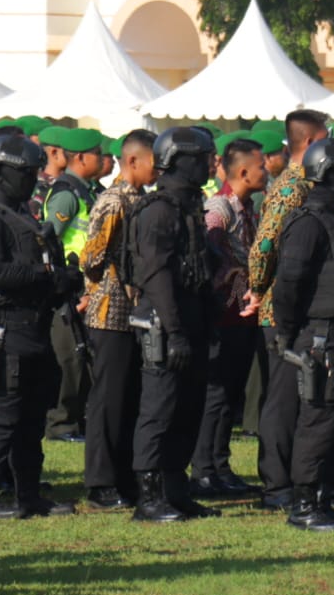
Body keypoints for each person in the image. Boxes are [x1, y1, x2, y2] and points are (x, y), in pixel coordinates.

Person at [0, 134, 81, 520]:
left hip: (33, 328)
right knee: (1, 414)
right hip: (1, 329)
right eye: (25, 172)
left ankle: (29, 493)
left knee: (31, 417)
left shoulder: (25, 219)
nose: (33, 178)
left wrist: (63, 277)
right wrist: (47, 277)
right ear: (3, 172)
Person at [268, 138, 334, 531]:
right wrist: (287, 333)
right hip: (319, 335)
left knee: (333, 418)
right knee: (318, 418)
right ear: (332, 173)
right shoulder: (307, 224)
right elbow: (289, 284)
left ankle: (321, 495)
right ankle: (305, 504)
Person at [128, 127, 219, 523]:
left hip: (191, 320)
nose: (210, 164)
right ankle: (149, 497)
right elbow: (156, 276)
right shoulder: (159, 210)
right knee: (159, 408)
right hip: (164, 324)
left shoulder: (188, 206)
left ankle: (175, 489)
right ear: (182, 160)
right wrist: (177, 331)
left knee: (188, 408)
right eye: (203, 157)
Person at [248, 110, 329, 510]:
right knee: (282, 400)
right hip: (279, 309)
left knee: (303, 397)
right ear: (312, 143)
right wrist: (258, 288)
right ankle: (276, 484)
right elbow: (263, 246)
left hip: (300, 306)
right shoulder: (290, 188)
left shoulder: (308, 184)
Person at [80, 131, 157, 509]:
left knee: (129, 398)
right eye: (153, 161)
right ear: (132, 162)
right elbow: (90, 257)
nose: (158, 168)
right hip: (110, 312)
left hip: (133, 314)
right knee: (108, 400)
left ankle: (123, 477)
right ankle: (100, 483)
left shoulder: (142, 200)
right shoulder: (114, 203)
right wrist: (110, 283)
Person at [191, 137, 267, 497]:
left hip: (242, 316)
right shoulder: (219, 208)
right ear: (242, 171)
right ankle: (205, 469)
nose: (266, 170)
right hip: (224, 316)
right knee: (216, 395)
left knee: (230, 394)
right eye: (261, 165)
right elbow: (215, 252)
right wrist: (238, 283)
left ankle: (219, 465)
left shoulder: (249, 208)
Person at [41, 127, 103, 443]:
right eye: (99, 153)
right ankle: (60, 423)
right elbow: (50, 237)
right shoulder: (67, 194)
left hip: (84, 284)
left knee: (84, 355)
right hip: (69, 287)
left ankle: (75, 419)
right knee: (69, 356)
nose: (104, 159)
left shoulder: (85, 191)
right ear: (80, 157)